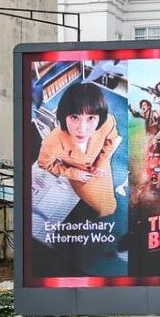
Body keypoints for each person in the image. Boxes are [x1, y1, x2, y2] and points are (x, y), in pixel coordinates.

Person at [36, 81, 120, 218]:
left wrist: (101, 162)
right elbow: (44, 164)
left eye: (91, 118)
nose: (82, 129)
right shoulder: (51, 142)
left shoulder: (108, 121)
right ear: (64, 116)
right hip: (77, 173)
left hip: (99, 163)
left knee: (110, 202)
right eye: (75, 117)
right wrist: (74, 174)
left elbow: (111, 140)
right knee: (106, 207)